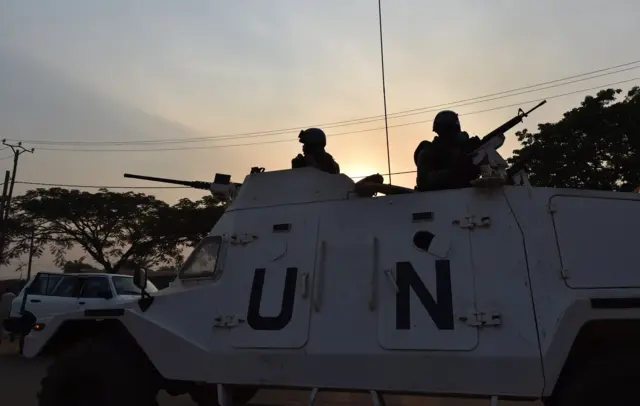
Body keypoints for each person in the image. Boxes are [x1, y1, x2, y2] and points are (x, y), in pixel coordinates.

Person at [414, 110, 482, 192]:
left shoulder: (464, 149)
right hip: (437, 199)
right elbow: (424, 181)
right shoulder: (428, 150)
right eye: (447, 131)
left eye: (453, 131)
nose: (450, 135)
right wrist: (455, 172)